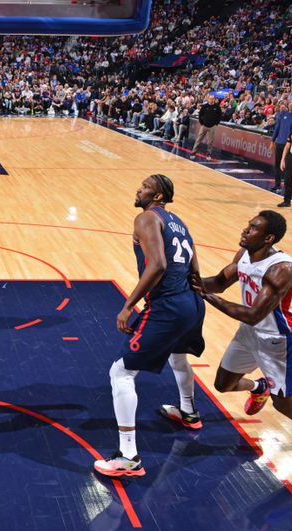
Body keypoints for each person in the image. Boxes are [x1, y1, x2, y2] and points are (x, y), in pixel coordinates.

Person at [94, 174, 205, 478]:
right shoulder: (178, 222)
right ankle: (188, 411)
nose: (138, 189)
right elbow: (195, 269)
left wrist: (129, 306)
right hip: (191, 303)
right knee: (177, 356)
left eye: (145, 187)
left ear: (157, 197)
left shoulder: (146, 218)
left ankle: (128, 456)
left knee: (120, 372)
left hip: (169, 305)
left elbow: (157, 265)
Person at [191, 211, 292, 425]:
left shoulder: (282, 269)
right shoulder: (244, 255)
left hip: (278, 340)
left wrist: (206, 295)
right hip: (249, 333)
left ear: (268, 238)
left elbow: (253, 315)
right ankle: (260, 387)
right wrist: (184, 280)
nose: (246, 230)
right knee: (223, 384)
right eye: (248, 225)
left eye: (253, 227)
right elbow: (219, 282)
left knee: (284, 405)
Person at [270, 99, 292, 193]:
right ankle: (277, 185)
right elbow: (277, 128)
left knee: (288, 166)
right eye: (291, 102)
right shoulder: (282, 114)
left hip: (290, 145)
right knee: (277, 164)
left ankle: (288, 186)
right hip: (279, 142)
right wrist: (273, 140)